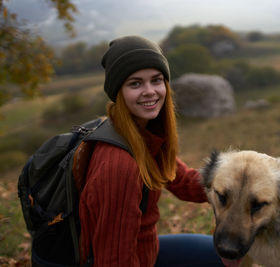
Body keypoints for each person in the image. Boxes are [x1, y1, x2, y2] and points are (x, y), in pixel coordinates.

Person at [78, 35, 225, 267]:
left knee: (221, 255)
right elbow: (113, 260)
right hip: (125, 258)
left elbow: (183, 182)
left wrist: (234, 180)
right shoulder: (119, 164)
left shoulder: (141, 137)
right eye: (135, 83)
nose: (150, 91)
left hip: (145, 249)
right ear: (118, 91)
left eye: (156, 80)